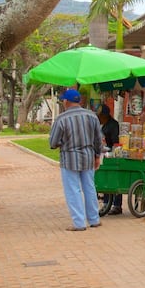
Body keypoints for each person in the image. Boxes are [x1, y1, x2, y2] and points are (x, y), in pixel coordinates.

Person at [49, 88, 104, 231]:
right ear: (79, 101)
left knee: (73, 190)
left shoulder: (61, 119)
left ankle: (79, 223)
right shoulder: (92, 116)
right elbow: (98, 139)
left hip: (69, 158)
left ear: (66, 102)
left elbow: (53, 143)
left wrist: (63, 142)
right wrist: (97, 156)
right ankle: (94, 219)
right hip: (88, 156)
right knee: (89, 188)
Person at [97, 104, 123, 215]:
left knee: (114, 179)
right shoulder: (102, 124)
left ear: (105, 115)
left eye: (100, 116)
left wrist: (111, 151)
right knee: (106, 179)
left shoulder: (113, 125)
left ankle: (117, 205)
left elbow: (115, 141)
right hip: (104, 154)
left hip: (112, 154)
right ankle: (106, 202)